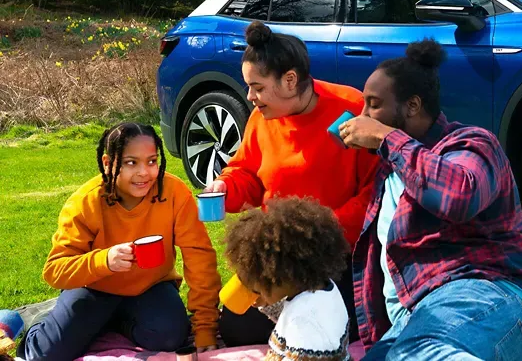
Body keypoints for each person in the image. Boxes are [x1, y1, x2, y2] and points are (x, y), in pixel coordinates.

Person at [338, 39, 522, 360]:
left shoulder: (472, 144)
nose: (364, 115)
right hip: (414, 320)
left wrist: (385, 136)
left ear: (412, 106)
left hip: (487, 292)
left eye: (374, 104)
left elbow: (459, 195)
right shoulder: (390, 170)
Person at [204, 20, 378, 346]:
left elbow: (374, 191)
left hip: (334, 256)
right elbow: (248, 173)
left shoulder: (350, 108)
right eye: (249, 87)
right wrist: (225, 187)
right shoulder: (261, 117)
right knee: (235, 327)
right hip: (278, 257)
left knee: (323, 327)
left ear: (290, 80)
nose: (250, 96)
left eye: (257, 87)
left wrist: (320, 237)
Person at [19, 123, 220, 360]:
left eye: (152, 161)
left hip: (151, 286)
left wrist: (205, 328)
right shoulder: (86, 202)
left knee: (171, 337)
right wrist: (105, 260)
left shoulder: (174, 193)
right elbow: (54, 271)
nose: (144, 172)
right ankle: (37, 319)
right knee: (45, 354)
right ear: (108, 163)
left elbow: (199, 258)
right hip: (93, 288)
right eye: (131, 162)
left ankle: (114, 322)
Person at [224, 197, 352, 361]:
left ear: (279, 276)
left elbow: (300, 325)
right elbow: (288, 312)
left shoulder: (305, 323)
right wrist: (264, 300)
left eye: (257, 291)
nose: (255, 301)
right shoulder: (319, 288)